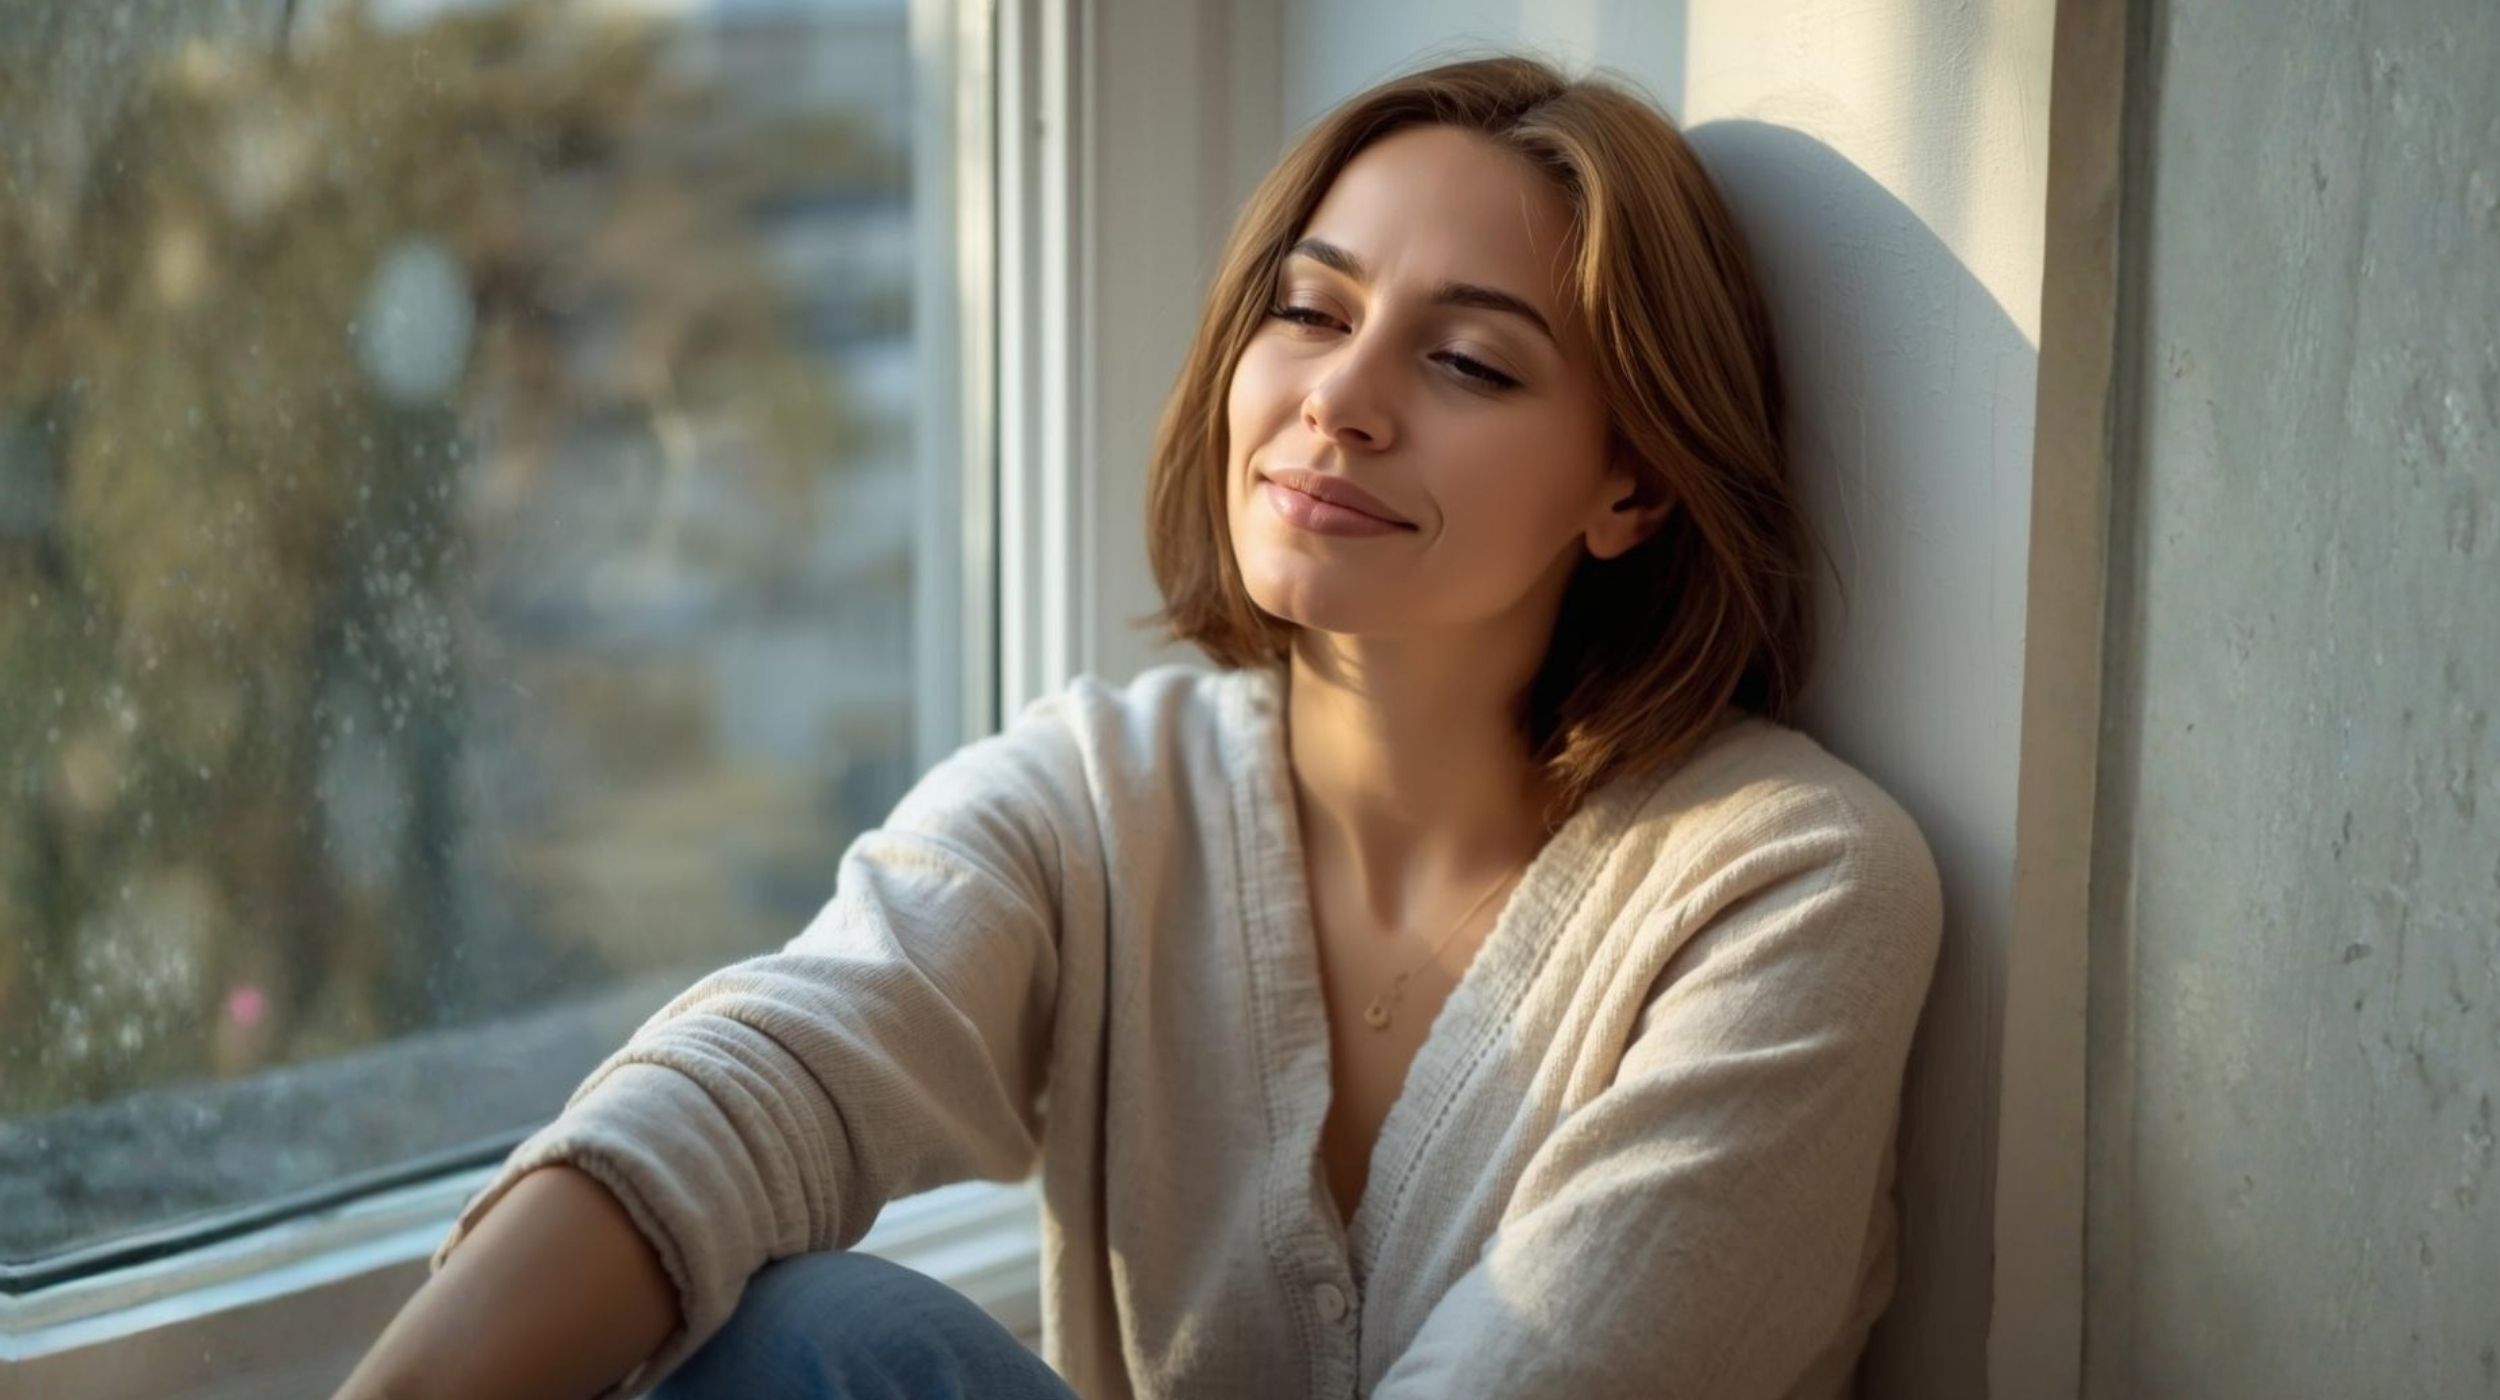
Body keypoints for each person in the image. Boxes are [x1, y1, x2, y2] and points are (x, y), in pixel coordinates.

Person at [336, 52, 1943, 1400]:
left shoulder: (1790, 890)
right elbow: (780, 1075)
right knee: (805, 1337)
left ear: (1634, 482)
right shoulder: (1107, 798)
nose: (1341, 400)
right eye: (1311, 313)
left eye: (1464, 361)